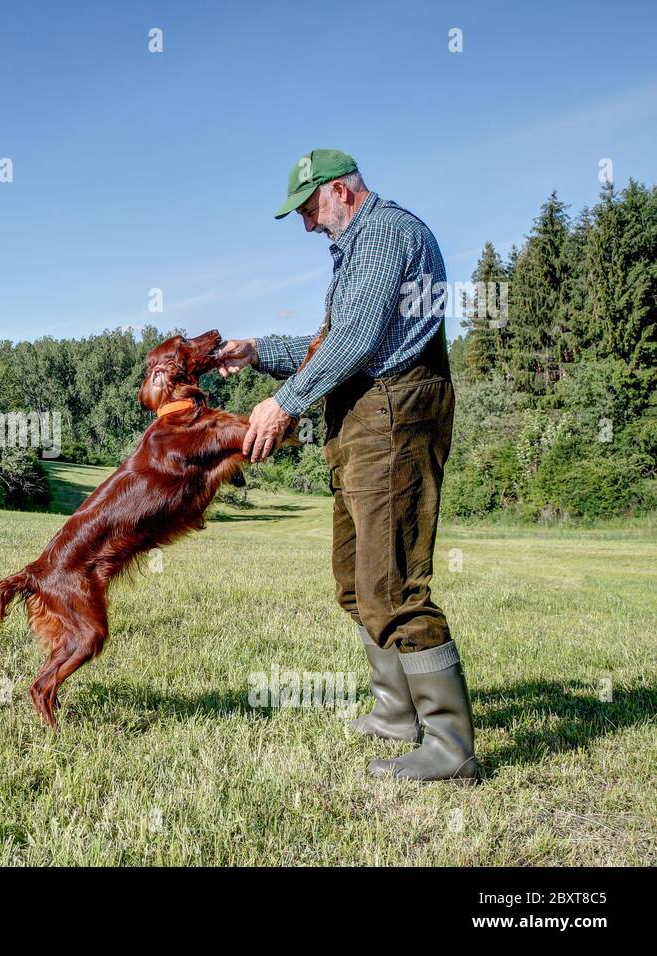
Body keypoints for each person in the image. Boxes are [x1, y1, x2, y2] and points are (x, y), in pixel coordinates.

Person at [215, 149, 478, 782]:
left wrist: (285, 403)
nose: (306, 225)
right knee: (355, 583)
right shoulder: (359, 249)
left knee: (394, 586)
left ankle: (451, 748)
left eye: (308, 210)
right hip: (363, 420)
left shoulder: (385, 233)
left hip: (392, 413)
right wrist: (258, 351)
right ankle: (395, 713)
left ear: (341, 192)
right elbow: (330, 342)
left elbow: (356, 343)